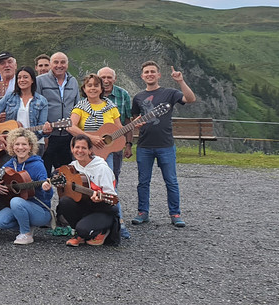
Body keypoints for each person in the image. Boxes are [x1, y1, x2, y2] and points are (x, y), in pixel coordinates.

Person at [131, 61, 196, 228]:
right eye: (147, 72)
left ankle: (175, 214)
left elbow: (190, 99)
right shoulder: (138, 97)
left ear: (159, 75)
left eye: (153, 71)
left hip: (165, 145)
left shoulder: (170, 93)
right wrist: (136, 124)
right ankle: (142, 212)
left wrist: (180, 81)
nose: (150, 74)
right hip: (144, 146)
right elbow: (135, 118)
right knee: (143, 182)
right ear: (142, 76)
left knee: (171, 181)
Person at [0, 128, 51, 245]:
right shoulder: (10, 165)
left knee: (16, 201)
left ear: (30, 147)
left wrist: (47, 189)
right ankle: (27, 225)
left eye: (24, 144)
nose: (20, 147)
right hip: (19, 206)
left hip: (40, 210)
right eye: (17, 144)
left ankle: (26, 233)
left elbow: (48, 196)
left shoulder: (38, 165)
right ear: (12, 147)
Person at [55, 134, 120, 247]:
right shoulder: (73, 166)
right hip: (85, 206)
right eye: (77, 147)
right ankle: (80, 234)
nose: (80, 151)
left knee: (83, 229)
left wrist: (100, 199)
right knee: (64, 202)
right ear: (72, 149)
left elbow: (111, 196)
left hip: (102, 209)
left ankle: (103, 230)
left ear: (90, 150)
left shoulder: (101, 168)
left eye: (84, 148)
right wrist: (54, 182)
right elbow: (58, 175)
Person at [0, 66, 52, 148]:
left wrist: (45, 131)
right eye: (19, 78)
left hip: (35, 143)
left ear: (32, 80)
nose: (22, 80)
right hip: (13, 144)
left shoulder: (42, 101)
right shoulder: (9, 97)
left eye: (25, 77)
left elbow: (41, 126)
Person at [37, 52, 78, 172]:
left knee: (67, 174)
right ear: (50, 64)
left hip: (68, 136)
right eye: (56, 62)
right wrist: (43, 128)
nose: (59, 65)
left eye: (63, 62)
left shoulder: (73, 81)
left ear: (67, 64)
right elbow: (36, 106)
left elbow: (77, 107)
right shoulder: (40, 81)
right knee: (44, 173)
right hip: (48, 136)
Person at [97, 67, 134, 183]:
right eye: (103, 77)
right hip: (96, 143)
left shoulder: (123, 94)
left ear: (115, 79)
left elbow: (127, 121)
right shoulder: (92, 93)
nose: (106, 81)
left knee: (114, 175)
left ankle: (113, 193)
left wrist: (128, 144)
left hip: (116, 142)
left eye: (109, 77)